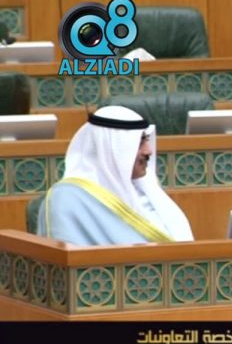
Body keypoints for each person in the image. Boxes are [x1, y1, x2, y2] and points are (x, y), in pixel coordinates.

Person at [38, 105, 194, 245]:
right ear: (111, 148)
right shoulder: (66, 200)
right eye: (139, 143)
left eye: (146, 140)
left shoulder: (147, 187)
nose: (148, 151)